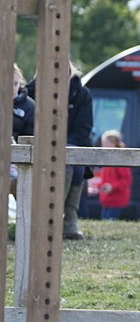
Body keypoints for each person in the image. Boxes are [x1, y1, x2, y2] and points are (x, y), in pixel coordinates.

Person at [27, 63, 93, 240]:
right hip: (39, 146)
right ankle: (54, 217)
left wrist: (60, 148)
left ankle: (67, 217)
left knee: (74, 162)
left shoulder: (81, 94)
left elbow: (83, 130)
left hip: (70, 146)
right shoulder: (31, 92)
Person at [96, 129, 132, 220]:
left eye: (105, 143)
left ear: (113, 144)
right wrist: (100, 186)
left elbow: (126, 180)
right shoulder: (108, 160)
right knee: (105, 222)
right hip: (107, 200)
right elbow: (105, 179)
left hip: (116, 200)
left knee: (110, 221)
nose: (103, 146)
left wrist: (112, 187)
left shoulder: (119, 160)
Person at [10, 64, 35, 197]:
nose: (13, 88)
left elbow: (31, 135)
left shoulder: (29, 106)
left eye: (15, 83)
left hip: (20, 157)